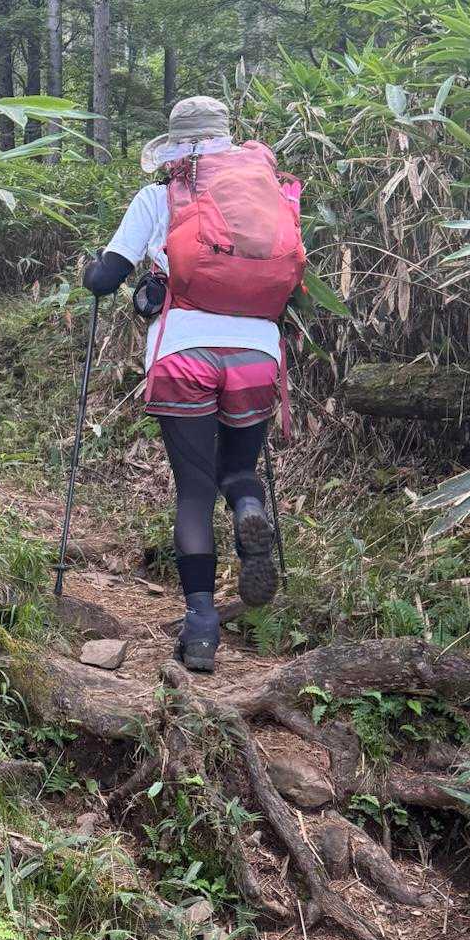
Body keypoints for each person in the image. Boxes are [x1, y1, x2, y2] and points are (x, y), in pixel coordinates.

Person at [83, 94, 305, 673]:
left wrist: (101, 274)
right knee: (236, 472)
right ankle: (251, 506)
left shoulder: (158, 198)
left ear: (176, 149)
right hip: (257, 355)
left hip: (184, 355)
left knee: (194, 492)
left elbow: (105, 278)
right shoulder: (267, 194)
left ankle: (202, 627)